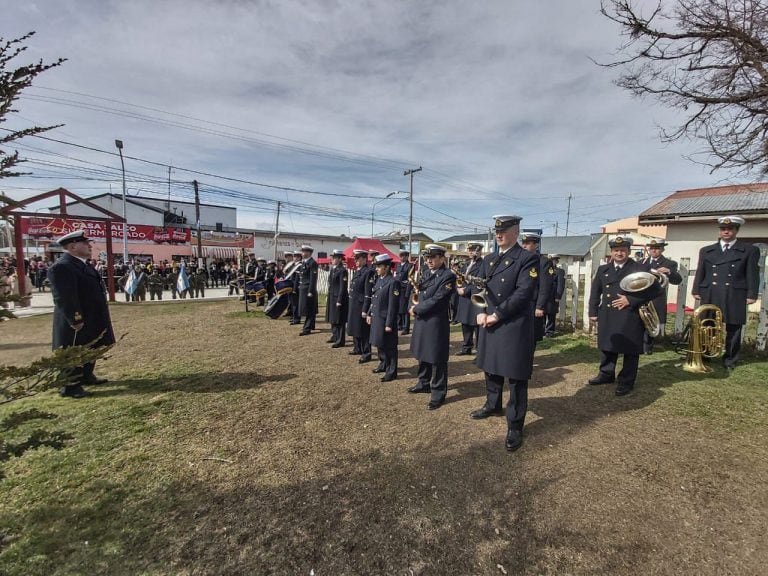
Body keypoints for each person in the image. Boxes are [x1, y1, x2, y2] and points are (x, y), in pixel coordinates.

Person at [469, 215, 539, 453]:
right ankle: (492, 404)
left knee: (516, 376)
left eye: (504, 231)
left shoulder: (527, 258)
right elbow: (481, 289)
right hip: (490, 320)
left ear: (516, 232)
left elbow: (523, 293)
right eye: (497, 231)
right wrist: (480, 310)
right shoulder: (490, 259)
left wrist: (497, 314)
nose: (498, 235)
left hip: (513, 324)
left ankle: (515, 424)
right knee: (491, 366)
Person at [588, 236, 662, 396]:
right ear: (611, 252)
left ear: (628, 251)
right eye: (616, 250)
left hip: (631, 315)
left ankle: (626, 381)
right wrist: (593, 312)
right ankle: (606, 374)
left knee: (630, 350)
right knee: (607, 346)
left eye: (622, 250)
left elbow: (656, 289)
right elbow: (595, 292)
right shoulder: (603, 270)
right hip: (608, 313)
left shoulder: (639, 268)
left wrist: (631, 299)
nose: (619, 253)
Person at [47, 230, 115, 398]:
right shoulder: (62, 267)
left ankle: (86, 375)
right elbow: (64, 297)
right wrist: (75, 318)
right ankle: (69, 386)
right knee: (73, 350)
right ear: (72, 246)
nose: (89, 246)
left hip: (92, 317)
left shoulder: (83, 264)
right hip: (77, 319)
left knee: (91, 346)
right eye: (85, 243)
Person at [692, 216, 760, 370]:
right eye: (723, 229)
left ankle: (730, 360)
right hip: (710, 291)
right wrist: (696, 289)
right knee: (708, 325)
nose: (726, 231)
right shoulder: (707, 250)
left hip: (734, 292)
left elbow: (752, 274)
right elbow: (700, 271)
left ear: (736, 230)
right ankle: (705, 355)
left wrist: (751, 294)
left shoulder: (749, 250)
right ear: (720, 231)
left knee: (734, 328)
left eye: (730, 229)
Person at [408, 244, 456, 410]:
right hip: (423, 319)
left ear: (442, 258)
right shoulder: (427, 273)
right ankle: (423, 382)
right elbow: (417, 291)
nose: (429, 260)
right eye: (427, 257)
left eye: (433, 257)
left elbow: (438, 299)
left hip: (436, 322)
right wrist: (412, 304)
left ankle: (438, 392)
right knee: (423, 353)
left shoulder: (448, 276)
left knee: (437, 357)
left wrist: (416, 309)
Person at [640, 239, 683, 353]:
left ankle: (647, 347)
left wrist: (669, 272)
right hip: (641, 295)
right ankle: (638, 344)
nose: (654, 250)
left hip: (656, 297)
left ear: (662, 249)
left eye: (657, 248)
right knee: (639, 319)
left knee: (652, 321)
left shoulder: (669, 263)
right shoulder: (642, 262)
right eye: (652, 248)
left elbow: (677, 280)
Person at [367, 254, 399, 382]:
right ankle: (383, 364)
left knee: (389, 346)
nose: (376, 269)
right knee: (380, 343)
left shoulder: (393, 282)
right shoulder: (379, 279)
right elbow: (373, 298)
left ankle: (392, 371)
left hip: (385, 319)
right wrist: (369, 313)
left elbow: (392, 305)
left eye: (379, 266)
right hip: (377, 317)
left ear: (386, 267)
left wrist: (389, 323)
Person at [520, 233, 555, 344]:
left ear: (536, 245)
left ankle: (528, 360)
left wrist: (540, 306)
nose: (524, 246)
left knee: (531, 336)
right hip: (519, 303)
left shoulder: (543, 262)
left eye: (527, 243)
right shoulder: (519, 260)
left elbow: (545, 286)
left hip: (533, 304)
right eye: (523, 243)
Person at [455, 243, 483, 355]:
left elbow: (480, 281)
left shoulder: (483, 264)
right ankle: (466, 347)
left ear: (480, 251)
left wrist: (465, 290)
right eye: (470, 250)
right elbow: (459, 278)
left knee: (477, 326)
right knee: (465, 324)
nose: (471, 252)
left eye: (474, 250)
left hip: (474, 298)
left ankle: (480, 350)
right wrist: (458, 287)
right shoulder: (466, 264)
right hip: (464, 300)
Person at [348, 249, 374, 360]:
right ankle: (357, 348)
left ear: (364, 258)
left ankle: (366, 352)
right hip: (354, 303)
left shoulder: (368, 272)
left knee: (363, 329)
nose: (356, 261)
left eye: (358, 258)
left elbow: (368, 293)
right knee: (355, 327)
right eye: (355, 258)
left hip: (361, 304)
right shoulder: (358, 271)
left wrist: (365, 309)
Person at [327, 249, 349, 347]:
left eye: (334, 258)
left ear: (340, 259)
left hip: (338, 298)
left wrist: (339, 300)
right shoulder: (333, 269)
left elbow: (342, 287)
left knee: (339, 319)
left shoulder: (342, 271)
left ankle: (340, 340)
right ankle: (335, 336)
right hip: (332, 296)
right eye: (332, 257)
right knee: (333, 318)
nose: (332, 259)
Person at [298, 245, 318, 335]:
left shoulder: (312, 263)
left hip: (308, 289)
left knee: (308, 309)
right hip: (303, 288)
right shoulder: (304, 262)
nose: (302, 253)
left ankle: (307, 328)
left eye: (304, 251)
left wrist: (310, 291)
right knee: (306, 308)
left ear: (309, 253)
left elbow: (313, 279)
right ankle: (311, 325)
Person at [545, 255, 566, 337]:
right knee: (542, 314)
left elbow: (561, 285)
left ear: (557, 261)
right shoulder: (544, 270)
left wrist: (558, 296)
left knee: (551, 314)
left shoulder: (559, 271)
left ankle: (549, 332)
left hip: (553, 296)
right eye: (551, 260)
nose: (553, 262)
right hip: (543, 296)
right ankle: (541, 331)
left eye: (554, 260)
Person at [394, 249, 414, 335]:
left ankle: (406, 327)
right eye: (400, 255)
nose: (401, 257)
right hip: (398, 289)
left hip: (405, 290)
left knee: (405, 309)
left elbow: (410, 280)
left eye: (403, 255)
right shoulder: (398, 265)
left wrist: (408, 292)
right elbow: (396, 276)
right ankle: (399, 325)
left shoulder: (410, 266)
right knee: (398, 308)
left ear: (406, 256)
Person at [290, 251, 303, 324]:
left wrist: (294, 288)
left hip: (296, 287)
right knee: (293, 303)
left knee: (296, 304)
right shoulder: (294, 265)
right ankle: (294, 317)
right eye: (294, 256)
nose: (294, 258)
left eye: (296, 256)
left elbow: (297, 279)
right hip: (291, 286)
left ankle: (297, 319)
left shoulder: (300, 266)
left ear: (299, 257)